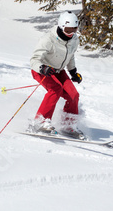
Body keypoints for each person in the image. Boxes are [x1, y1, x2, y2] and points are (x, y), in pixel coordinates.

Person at [29, 11, 84, 139]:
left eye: (74, 29)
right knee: (55, 89)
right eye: (68, 29)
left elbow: (70, 56)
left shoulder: (74, 39)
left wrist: (73, 72)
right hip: (42, 70)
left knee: (73, 95)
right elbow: (34, 59)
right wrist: (43, 68)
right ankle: (40, 122)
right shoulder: (48, 39)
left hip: (59, 71)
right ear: (61, 26)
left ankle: (68, 125)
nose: (71, 33)